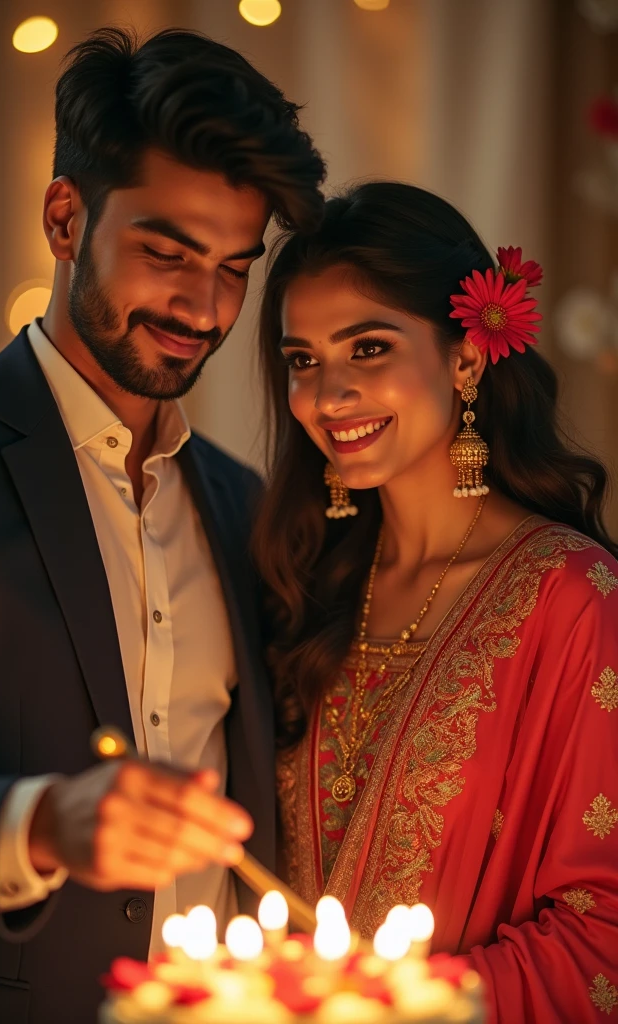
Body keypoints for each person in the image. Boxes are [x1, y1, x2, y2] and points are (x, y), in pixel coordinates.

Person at [0, 26, 325, 1024]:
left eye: (235, 267)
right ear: (65, 218)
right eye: (165, 251)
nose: (204, 304)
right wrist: (36, 826)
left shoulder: (243, 507)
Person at [254, 181, 618, 1022]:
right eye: (302, 359)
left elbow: (602, 930)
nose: (327, 394)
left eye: (368, 348)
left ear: (466, 357)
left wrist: (385, 1005)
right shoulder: (303, 582)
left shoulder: (573, 597)